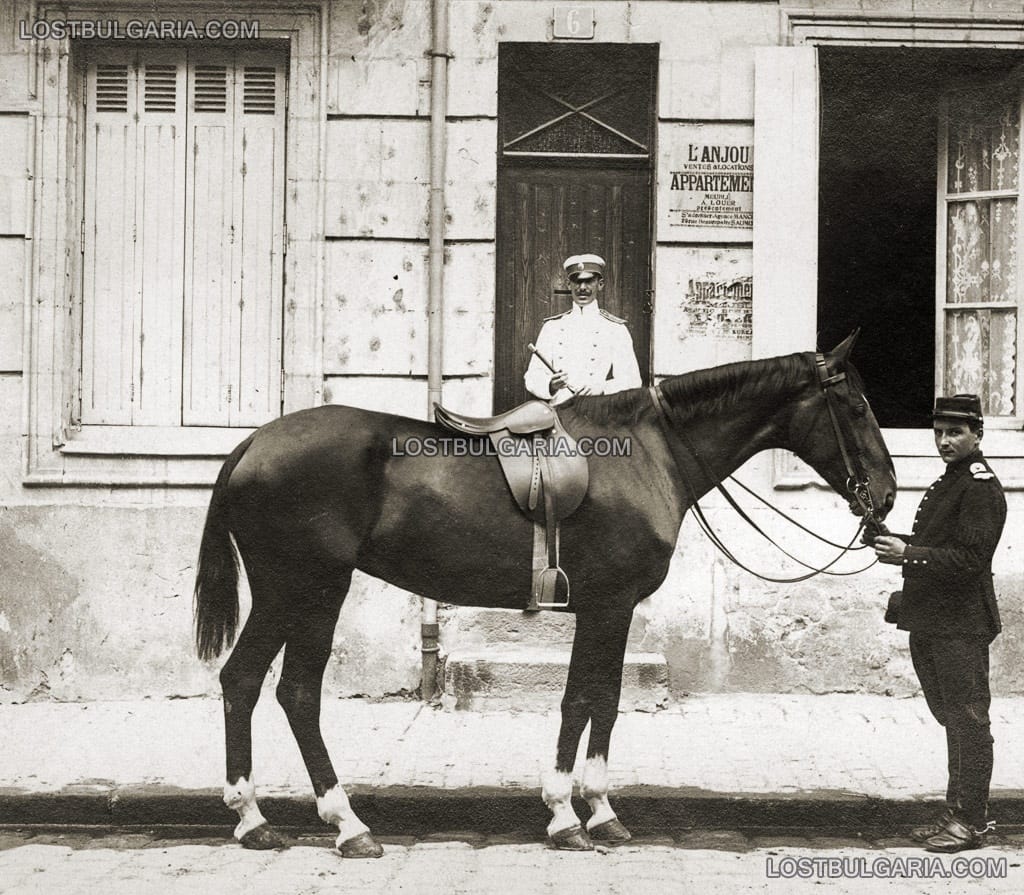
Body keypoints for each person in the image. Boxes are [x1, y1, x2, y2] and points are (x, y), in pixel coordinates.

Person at [869, 393, 1006, 853]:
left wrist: (907, 554)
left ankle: (974, 821)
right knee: (952, 719)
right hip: (932, 621)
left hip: (961, 624)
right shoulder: (951, 481)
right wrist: (892, 541)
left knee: (968, 721)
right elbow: (937, 543)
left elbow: (970, 559)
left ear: (978, 435)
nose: (945, 441)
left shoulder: (981, 486)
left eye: (956, 433)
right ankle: (957, 812)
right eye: (940, 433)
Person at [524, 253, 642, 405]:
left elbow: (632, 380)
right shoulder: (552, 327)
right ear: (568, 285)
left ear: (600, 284)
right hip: (560, 412)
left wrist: (602, 388)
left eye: (589, 281)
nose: (582, 288)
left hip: (597, 412)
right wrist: (551, 385)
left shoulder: (616, 329)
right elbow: (533, 376)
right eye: (577, 282)